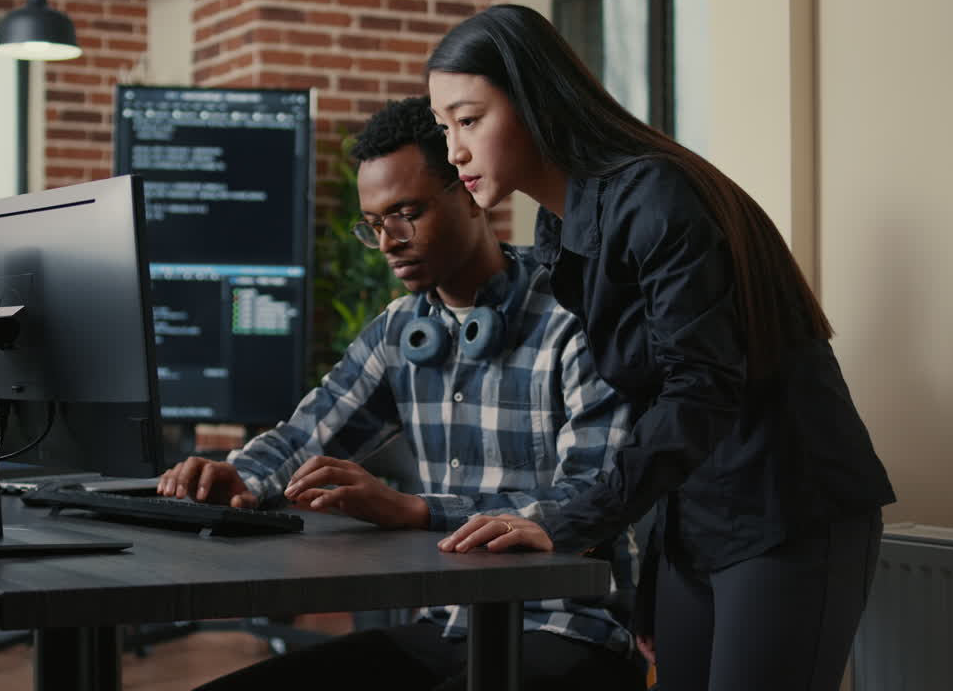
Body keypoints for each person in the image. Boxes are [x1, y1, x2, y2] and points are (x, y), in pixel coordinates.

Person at [425, 4, 895, 691]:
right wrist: (652, 567)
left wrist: (570, 521)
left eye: (468, 120)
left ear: (533, 101)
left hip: (788, 507)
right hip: (695, 519)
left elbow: (699, 389)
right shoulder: (561, 229)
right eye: (444, 128)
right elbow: (651, 405)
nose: (454, 152)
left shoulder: (657, 196)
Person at [159, 97, 645, 691]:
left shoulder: (575, 316)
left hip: (571, 629)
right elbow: (303, 437)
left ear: (470, 192)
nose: (388, 241)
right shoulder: (400, 330)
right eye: (374, 223)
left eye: (406, 214)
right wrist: (239, 478)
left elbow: (594, 494)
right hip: (449, 625)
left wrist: (417, 510)